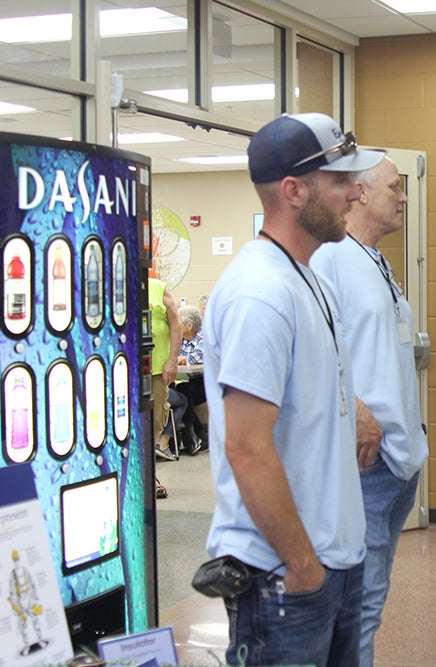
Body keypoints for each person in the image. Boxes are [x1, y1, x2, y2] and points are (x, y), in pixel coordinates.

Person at [202, 112, 384, 667]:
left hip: (335, 561)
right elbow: (246, 447)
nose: (356, 193)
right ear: (293, 190)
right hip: (284, 576)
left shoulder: (311, 279)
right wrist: (302, 564)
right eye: (339, 182)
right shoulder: (259, 293)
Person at [311, 157, 428, 667]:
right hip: (367, 464)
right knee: (358, 607)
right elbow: (315, 348)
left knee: (370, 600)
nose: (404, 197)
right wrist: (354, 406)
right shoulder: (328, 258)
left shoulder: (375, 260)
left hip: (400, 461)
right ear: (359, 191)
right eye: (395, 188)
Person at [149, 275, 181, 465]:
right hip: (124, 369)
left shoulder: (158, 289)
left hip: (157, 370)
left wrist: (172, 361)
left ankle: (152, 473)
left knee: (155, 419)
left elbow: (176, 324)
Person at [175, 304, 207, 455]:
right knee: (183, 389)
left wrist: (180, 359)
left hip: (206, 384)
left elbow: (195, 358)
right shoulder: (180, 339)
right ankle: (195, 437)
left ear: (189, 326)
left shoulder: (203, 338)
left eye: (178, 322)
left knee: (184, 391)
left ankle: (194, 436)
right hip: (190, 382)